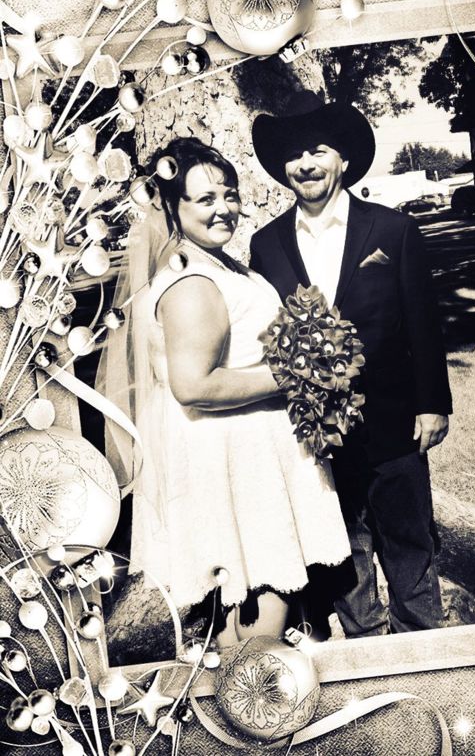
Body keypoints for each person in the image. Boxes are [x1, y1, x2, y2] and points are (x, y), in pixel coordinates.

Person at [98, 136, 351, 646]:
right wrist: (302, 375)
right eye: (205, 199)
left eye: (229, 195)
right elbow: (194, 385)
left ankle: (250, 686)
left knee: (258, 597)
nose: (224, 209)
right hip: (235, 465)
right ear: (173, 207)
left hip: (249, 454)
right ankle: (251, 692)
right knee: (261, 597)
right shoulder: (191, 282)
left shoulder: (221, 265)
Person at [250, 91, 453, 637]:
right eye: (294, 154)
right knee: (344, 554)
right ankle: (365, 651)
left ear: (342, 159)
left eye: (317, 150)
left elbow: (423, 323)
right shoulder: (266, 245)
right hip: (315, 433)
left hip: (394, 420)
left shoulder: (391, 230)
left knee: (410, 545)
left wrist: (433, 403)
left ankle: (426, 651)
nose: (305, 163)